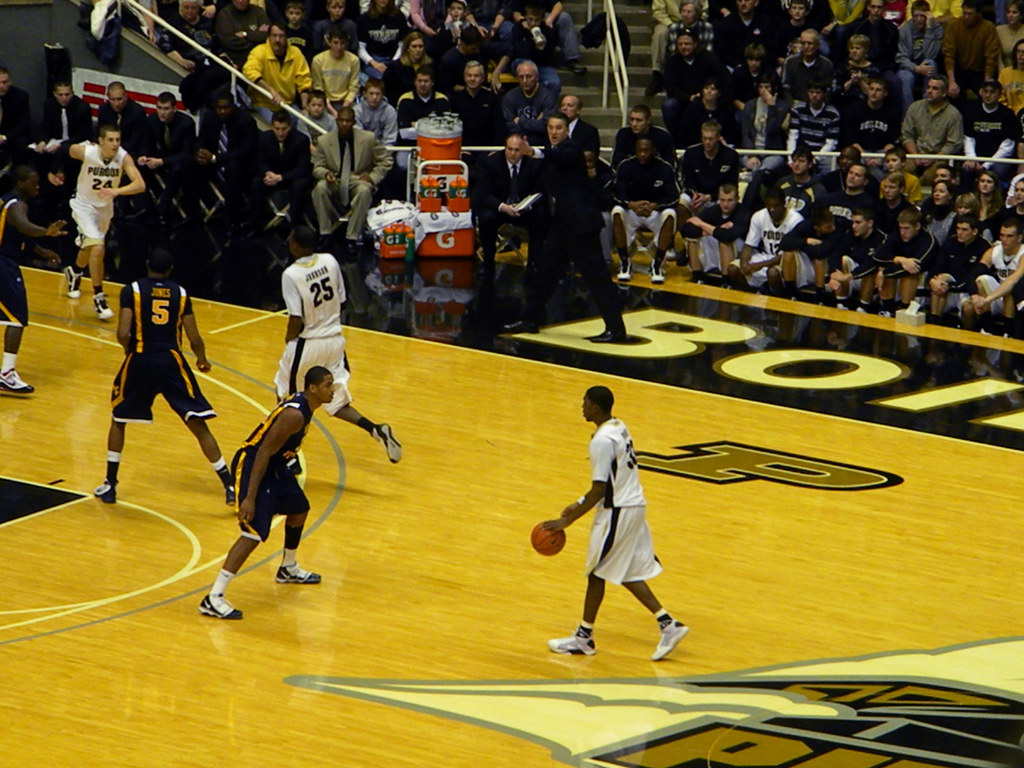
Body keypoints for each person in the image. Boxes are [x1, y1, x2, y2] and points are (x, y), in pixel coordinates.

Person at [542, 385, 688, 660]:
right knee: (628, 570)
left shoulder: (600, 441)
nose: (582, 407)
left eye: (585, 403)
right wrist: (579, 500)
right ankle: (668, 624)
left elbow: (600, 489)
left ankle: (584, 638)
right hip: (633, 504)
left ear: (596, 408)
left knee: (597, 573)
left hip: (619, 510)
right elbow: (611, 478)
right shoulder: (618, 426)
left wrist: (567, 521)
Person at [94, 249, 236, 505]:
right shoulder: (180, 293)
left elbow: (123, 332)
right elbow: (194, 338)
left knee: (118, 418)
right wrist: (202, 360)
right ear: (170, 270)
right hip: (171, 361)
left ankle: (110, 485)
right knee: (198, 423)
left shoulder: (133, 289)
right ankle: (229, 485)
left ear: (147, 264)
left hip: (141, 359)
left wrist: (130, 352)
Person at [199, 365, 336, 620]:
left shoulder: (305, 408)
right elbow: (262, 451)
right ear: (313, 388)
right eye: (328, 385)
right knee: (251, 534)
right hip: (255, 464)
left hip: (274, 465)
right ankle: (213, 597)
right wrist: (250, 497)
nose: (333, 389)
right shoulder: (294, 416)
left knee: (299, 508)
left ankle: (288, 567)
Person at [275, 226, 402, 462]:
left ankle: (288, 455)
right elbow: (342, 299)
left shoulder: (290, 274)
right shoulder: (330, 261)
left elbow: (295, 318)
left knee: (286, 396)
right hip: (335, 341)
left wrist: (288, 340)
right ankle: (375, 429)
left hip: (308, 342)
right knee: (335, 400)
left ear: (295, 246)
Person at [503, 113, 627, 343]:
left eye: (559, 127)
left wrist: (533, 152)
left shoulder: (571, 150)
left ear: (567, 130)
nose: (554, 131)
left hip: (581, 225)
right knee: (546, 272)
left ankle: (616, 328)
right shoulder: (553, 153)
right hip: (562, 223)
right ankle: (531, 319)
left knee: (596, 277)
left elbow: (558, 157)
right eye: (550, 127)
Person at [52, 124, 146, 321]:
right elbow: (63, 149)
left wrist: (117, 191)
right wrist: (53, 171)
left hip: (105, 209)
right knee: (98, 247)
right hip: (83, 205)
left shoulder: (123, 156)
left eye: (118, 140)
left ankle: (75, 271)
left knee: (90, 247)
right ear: (101, 140)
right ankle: (99, 297)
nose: (115, 144)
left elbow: (140, 184)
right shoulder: (87, 151)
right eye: (111, 140)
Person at [0, 166, 65, 395]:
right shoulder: (17, 204)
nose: (37, 187)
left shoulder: (5, 201)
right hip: (3, 266)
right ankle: (7, 373)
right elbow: (23, 225)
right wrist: (46, 232)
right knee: (17, 319)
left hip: (5, 260)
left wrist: (41, 250)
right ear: (20, 183)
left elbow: (16, 234)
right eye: (34, 183)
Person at [473, 133, 545, 313]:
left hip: (523, 208)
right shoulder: (491, 163)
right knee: (486, 217)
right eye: (509, 149)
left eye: (517, 150)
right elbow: (483, 193)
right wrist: (504, 207)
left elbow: (539, 190)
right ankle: (488, 261)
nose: (513, 154)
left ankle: (535, 263)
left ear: (523, 151)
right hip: (500, 207)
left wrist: (524, 206)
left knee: (542, 215)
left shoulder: (533, 164)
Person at [312, 106, 394, 254]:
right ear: (336, 121)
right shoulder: (324, 141)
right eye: (341, 120)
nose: (344, 124)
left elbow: (386, 160)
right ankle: (325, 233)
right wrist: (325, 174)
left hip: (358, 178)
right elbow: (317, 167)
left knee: (364, 190)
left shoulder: (368, 138)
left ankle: (353, 237)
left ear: (354, 122)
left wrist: (373, 176)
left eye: (348, 121)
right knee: (320, 188)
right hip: (335, 179)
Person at [611, 137, 680, 284]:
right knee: (616, 211)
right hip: (632, 210)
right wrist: (632, 205)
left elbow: (674, 196)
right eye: (639, 150)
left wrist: (655, 205)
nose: (642, 154)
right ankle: (624, 262)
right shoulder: (625, 166)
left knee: (671, 214)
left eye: (646, 151)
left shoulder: (665, 168)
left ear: (654, 151)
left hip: (655, 211)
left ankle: (657, 264)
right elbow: (616, 193)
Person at [249, 109, 314, 232]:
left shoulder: (301, 140)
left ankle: (295, 228)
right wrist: (268, 173)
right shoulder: (264, 138)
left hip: (292, 177)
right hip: (273, 176)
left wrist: (280, 177)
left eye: (284, 129)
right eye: (277, 129)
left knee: (300, 186)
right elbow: (260, 161)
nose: (280, 133)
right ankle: (255, 226)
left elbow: (302, 168)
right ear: (271, 126)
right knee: (256, 183)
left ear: (290, 126)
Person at [244, 21, 313, 124]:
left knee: (303, 124)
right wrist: (271, 91)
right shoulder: (259, 52)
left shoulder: (296, 53)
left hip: (287, 103)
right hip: (263, 103)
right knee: (277, 126)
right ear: (269, 37)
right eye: (274, 36)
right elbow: (249, 71)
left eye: (281, 36)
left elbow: (304, 80)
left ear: (286, 38)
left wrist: (304, 108)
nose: (277, 40)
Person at [963, 217, 1024, 333]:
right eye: (1002, 235)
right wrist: (975, 297)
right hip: (997, 297)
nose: (1004, 239)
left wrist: (987, 300)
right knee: (982, 279)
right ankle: (986, 328)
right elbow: (974, 274)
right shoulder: (994, 251)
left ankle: (1008, 332)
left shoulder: (1023, 253)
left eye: (1009, 236)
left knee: (1010, 289)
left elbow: (1013, 280)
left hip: (1017, 301)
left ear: (1019, 238)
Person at [901, 75, 964, 184]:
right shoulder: (915, 107)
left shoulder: (953, 114)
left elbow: (953, 144)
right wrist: (915, 155)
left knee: (930, 177)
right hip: (915, 154)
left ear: (944, 93)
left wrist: (934, 158)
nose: (929, 91)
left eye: (935, 89)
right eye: (928, 87)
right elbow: (907, 135)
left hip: (939, 158)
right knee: (900, 173)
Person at [895, 0, 943, 111]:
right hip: (909, 66)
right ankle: (909, 114)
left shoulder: (936, 28)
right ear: (912, 16)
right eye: (916, 16)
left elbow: (931, 55)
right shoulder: (905, 29)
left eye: (922, 16)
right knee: (905, 77)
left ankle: (927, 109)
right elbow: (901, 57)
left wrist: (929, 29)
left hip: (927, 65)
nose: (919, 19)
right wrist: (916, 68)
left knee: (931, 63)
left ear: (928, 15)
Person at [311, 22, 361, 112]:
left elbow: (354, 87)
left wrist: (344, 108)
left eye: (342, 43)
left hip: (346, 102)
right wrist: (332, 111)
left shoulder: (354, 60)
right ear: (329, 42)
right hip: (326, 102)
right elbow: (318, 88)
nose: (339, 47)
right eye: (335, 43)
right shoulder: (318, 60)